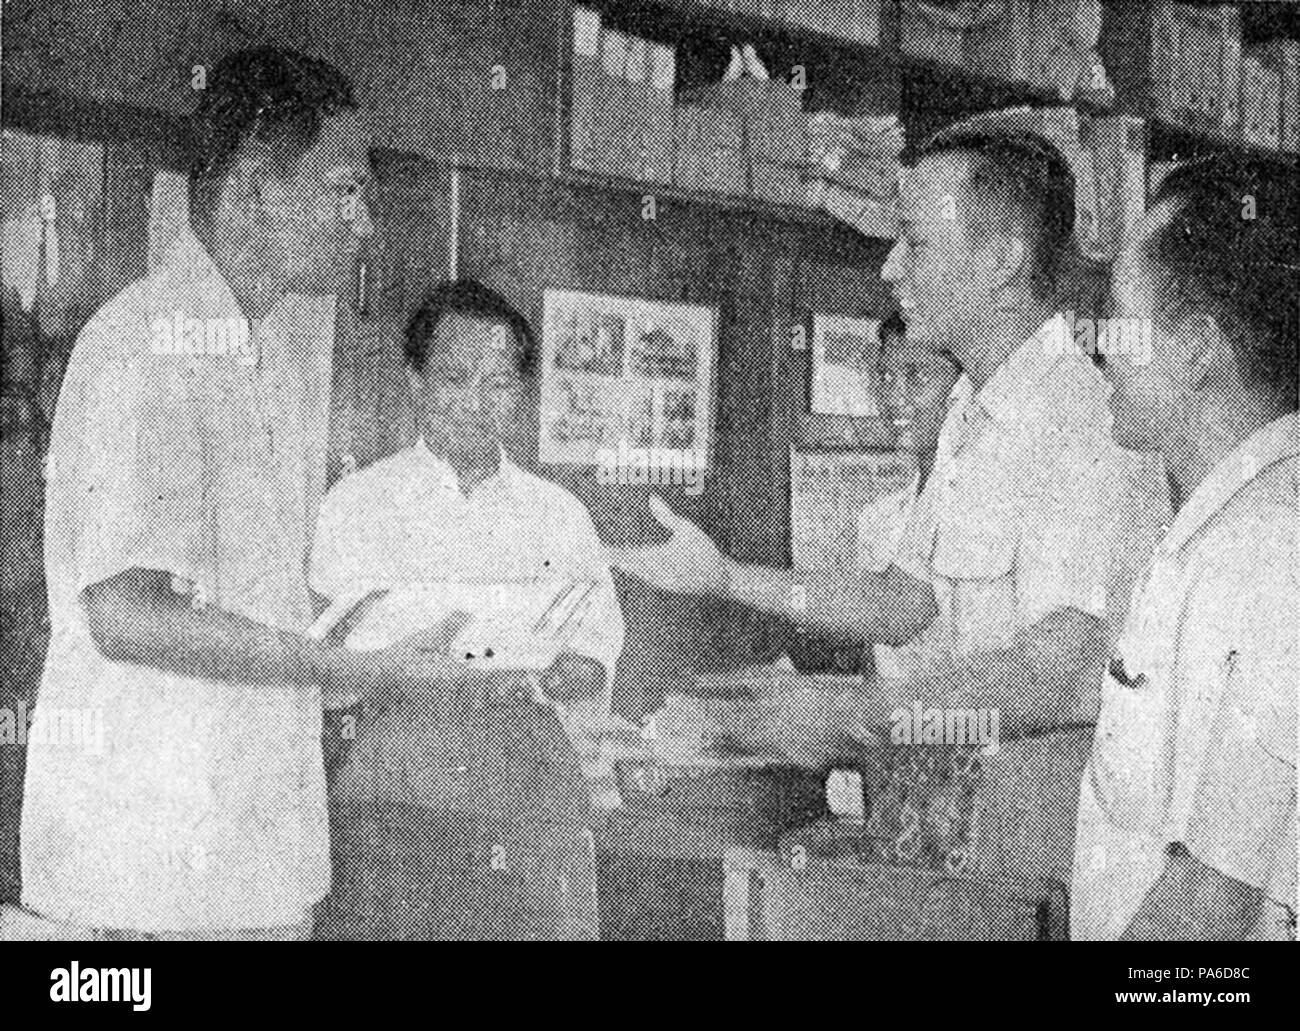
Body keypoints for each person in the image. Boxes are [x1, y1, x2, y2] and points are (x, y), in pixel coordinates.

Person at [9, 47, 511, 942]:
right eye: (342, 189)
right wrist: (346, 667)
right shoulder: (149, 349)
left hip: (234, 871)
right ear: (250, 194)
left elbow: (234, 611)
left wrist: (352, 645)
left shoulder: (245, 351)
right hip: (155, 884)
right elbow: (127, 615)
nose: (363, 221)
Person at [610, 124, 1165, 884]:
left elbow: (1054, 676)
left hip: (1038, 837)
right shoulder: (975, 407)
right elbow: (907, 599)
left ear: (1002, 258)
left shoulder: (1081, 420)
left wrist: (852, 714)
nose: (891, 264)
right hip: (949, 811)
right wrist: (727, 577)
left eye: (915, 241)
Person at [309, 280, 624, 940]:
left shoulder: (560, 516)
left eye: (499, 383)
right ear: (416, 381)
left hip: (525, 781)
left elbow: (597, 651)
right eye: (455, 378)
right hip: (395, 784)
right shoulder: (358, 503)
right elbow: (326, 668)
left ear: (522, 394)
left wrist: (561, 669)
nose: (478, 404)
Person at [1072, 153, 1298, 940]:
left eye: (1118, 315)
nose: (1100, 346)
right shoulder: (1208, 528)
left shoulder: (1276, 548)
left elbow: (1208, 907)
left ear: (1200, 349)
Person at [856, 310, 969, 681]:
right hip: (895, 731)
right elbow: (879, 654)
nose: (894, 397)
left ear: (960, 389)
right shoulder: (877, 519)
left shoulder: (979, 503)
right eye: (886, 377)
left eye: (915, 376)